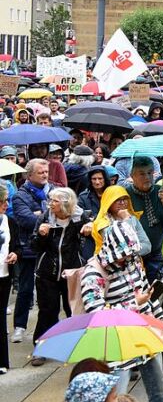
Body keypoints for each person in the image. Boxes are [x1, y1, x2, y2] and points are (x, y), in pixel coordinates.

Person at [79, 219, 163, 402]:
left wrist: (161, 326)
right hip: (114, 341)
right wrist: (134, 303)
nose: (127, 260)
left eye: (130, 255)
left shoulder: (133, 261)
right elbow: (96, 314)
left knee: (159, 390)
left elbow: (148, 295)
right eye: (123, 256)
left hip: (143, 334)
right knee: (116, 398)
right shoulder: (93, 273)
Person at [31, 186, 90, 361]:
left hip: (72, 272)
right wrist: (41, 235)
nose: (50, 204)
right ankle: (41, 348)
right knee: (47, 310)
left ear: (66, 204)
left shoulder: (80, 218)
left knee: (73, 311)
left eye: (54, 201)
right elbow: (34, 247)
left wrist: (91, 227)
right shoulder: (45, 218)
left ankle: (74, 346)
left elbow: (96, 234)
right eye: (50, 200)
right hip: (47, 272)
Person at [11, 157, 51, 343]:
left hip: (49, 247)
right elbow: (26, 219)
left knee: (46, 292)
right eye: (40, 172)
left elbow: (63, 212)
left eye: (46, 172)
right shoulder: (20, 195)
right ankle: (19, 326)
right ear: (29, 174)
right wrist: (46, 216)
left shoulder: (52, 190)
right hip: (28, 247)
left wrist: (40, 215)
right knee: (25, 289)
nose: (44, 175)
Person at [124, 157, 163, 280]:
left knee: (157, 288)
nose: (147, 177)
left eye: (149, 173)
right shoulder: (126, 195)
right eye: (142, 174)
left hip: (156, 254)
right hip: (134, 255)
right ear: (132, 176)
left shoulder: (162, 192)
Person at [0, 186, 17, 374]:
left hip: (3, 276)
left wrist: (15, 254)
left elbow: (17, 246)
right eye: (2, 201)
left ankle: (2, 361)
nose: (6, 204)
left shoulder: (9, 222)